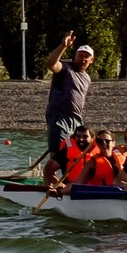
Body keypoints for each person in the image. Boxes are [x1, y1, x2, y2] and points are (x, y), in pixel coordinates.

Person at [42, 33, 96, 168]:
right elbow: (51, 64)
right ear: (75, 56)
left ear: (91, 60)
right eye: (80, 55)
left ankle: (74, 179)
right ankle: (51, 179)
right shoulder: (65, 69)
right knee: (59, 152)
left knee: (78, 149)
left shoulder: (87, 77)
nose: (82, 59)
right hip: (60, 118)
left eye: (86, 57)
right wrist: (63, 46)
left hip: (76, 120)